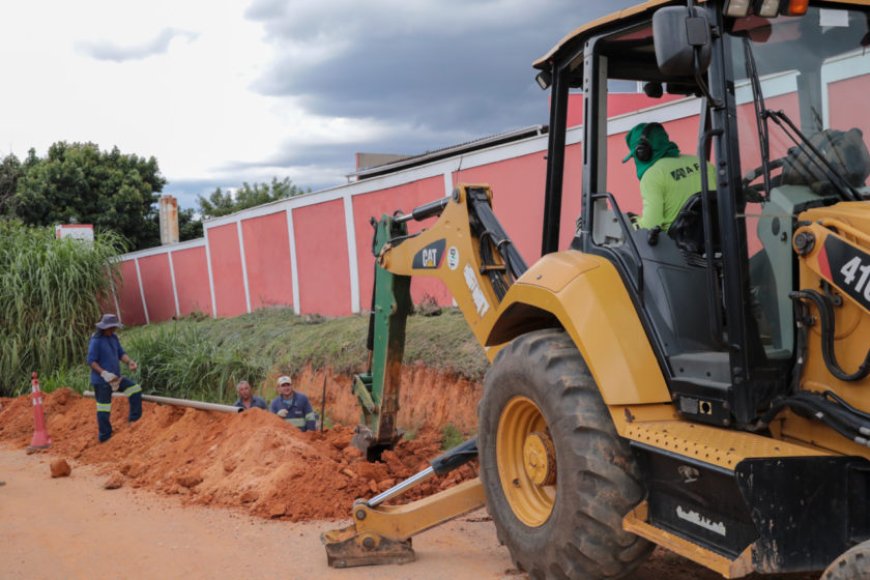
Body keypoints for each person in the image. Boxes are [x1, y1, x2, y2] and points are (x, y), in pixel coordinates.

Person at [623, 122, 717, 230]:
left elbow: (651, 225)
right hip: (715, 238)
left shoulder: (652, 175)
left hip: (675, 244)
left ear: (641, 153)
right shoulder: (703, 163)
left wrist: (632, 226)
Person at [87, 313, 142, 443]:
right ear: (104, 328)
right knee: (104, 408)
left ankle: (134, 420)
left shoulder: (113, 338)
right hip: (102, 382)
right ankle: (105, 437)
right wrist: (104, 373)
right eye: (111, 328)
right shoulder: (96, 341)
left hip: (115, 378)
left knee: (134, 389)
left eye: (114, 328)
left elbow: (120, 353)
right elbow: (91, 361)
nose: (113, 330)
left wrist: (130, 362)